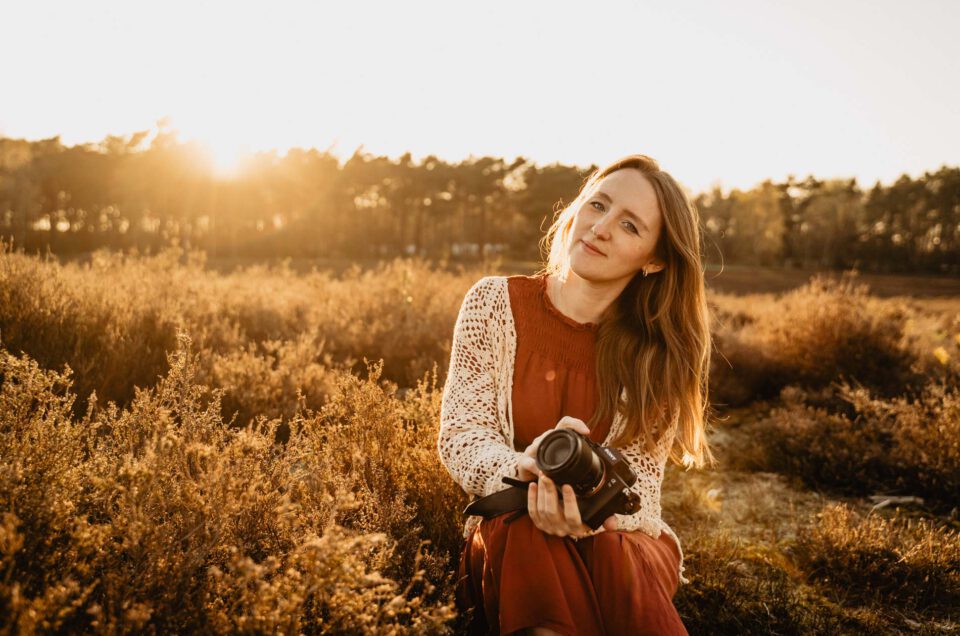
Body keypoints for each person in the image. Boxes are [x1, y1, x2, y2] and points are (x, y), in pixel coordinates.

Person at [437, 154, 716, 636]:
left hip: (617, 543)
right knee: (526, 524)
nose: (601, 227)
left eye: (629, 225)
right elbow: (462, 433)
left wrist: (591, 514)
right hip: (510, 535)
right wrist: (523, 473)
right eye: (597, 205)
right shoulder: (492, 304)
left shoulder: (657, 355)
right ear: (575, 209)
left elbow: (642, 490)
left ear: (654, 259)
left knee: (614, 552)